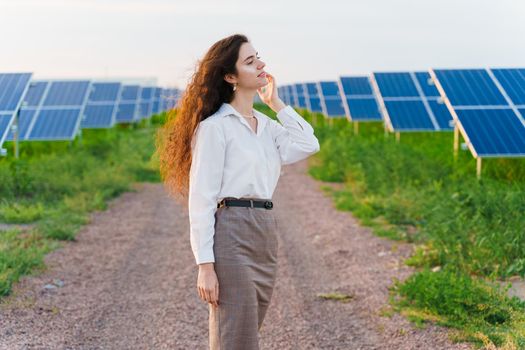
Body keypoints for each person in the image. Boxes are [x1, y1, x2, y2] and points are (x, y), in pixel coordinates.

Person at [156, 33, 320, 350]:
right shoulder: (215, 128)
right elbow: (201, 200)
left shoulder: (268, 126)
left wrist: (275, 103)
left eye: (258, 57)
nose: (261, 64)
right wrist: (205, 266)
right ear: (230, 76)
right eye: (250, 61)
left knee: (243, 333)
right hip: (231, 232)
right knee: (237, 337)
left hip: (265, 232)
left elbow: (308, 144)